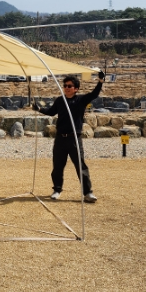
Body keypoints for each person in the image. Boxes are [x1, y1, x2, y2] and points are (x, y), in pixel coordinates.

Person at [35, 72, 105, 203]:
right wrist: (39, 109)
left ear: (76, 88)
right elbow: (51, 112)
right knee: (57, 165)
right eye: (65, 85)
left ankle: (88, 193)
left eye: (69, 86)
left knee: (80, 165)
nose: (66, 88)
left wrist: (100, 81)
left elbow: (94, 94)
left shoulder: (81, 100)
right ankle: (57, 189)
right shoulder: (60, 100)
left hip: (74, 138)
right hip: (60, 138)